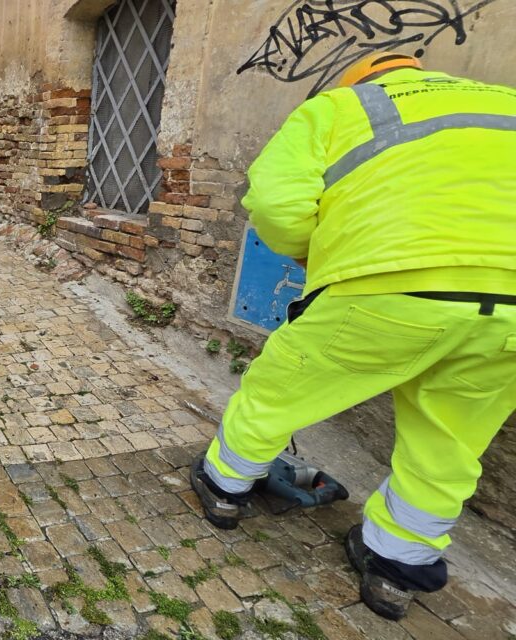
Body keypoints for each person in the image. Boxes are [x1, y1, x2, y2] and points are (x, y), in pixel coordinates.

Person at [188, 52, 516, 620]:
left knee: (279, 389)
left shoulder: (341, 108)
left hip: (386, 284)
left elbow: (276, 201)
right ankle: (395, 573)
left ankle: (225, 488)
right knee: (449, 443)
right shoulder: (502, 103)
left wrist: (316, 253)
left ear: (363, 80)